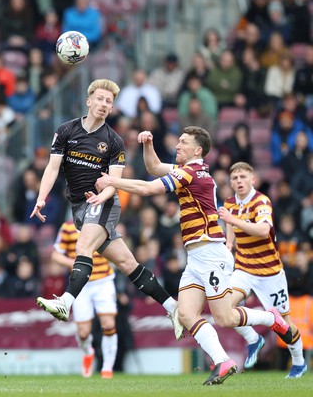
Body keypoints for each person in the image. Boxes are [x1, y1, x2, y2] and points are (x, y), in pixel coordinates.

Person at [92, 126, 293, 385]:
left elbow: (148, 188)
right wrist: (148, 144)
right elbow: (153, 168)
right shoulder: (188, 171)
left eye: (183, 142)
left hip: (211, 254)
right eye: (178, 141)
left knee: (225, 317)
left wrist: (112, 181)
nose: (177, 146)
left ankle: (271, 318)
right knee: (186, 314)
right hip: (196, 258)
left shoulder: (191, 173)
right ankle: (223, 361)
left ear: (197, 150)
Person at [30, 78, 183, 342]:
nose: (103, 104)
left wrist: (103, 197)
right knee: (128, 264)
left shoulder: (113, 141)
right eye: (99, 99)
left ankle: (65, 302)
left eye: (108, 102)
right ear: (89, 101)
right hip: (80, 207)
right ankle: (174, 308)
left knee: (83, 247)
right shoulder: (66, 131)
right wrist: (41, 198)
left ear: (112, 108)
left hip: (104, 204)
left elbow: (114, 181)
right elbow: (52, 168)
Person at [219, 161, 307, 379]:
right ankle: (253, 339)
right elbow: (230, 224)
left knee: (284, 326)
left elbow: (263, 229)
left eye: (243, 177)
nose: (239, 181)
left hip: (270, 273)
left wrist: (233, 220)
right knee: (223, 309)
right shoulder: (230, 203)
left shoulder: (262, 201)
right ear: (230, 182)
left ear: (253, 180)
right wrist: (229, 244)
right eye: (235, 178)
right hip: (244, 269)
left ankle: (299, 362)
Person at [51, 220, 117, 379]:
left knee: (108, 324)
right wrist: (73, 263)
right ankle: (88, 352)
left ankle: (107, 368)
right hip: (81, 284)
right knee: (83, 332)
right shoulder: (67, 227)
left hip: (104, 280)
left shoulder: (103, 222)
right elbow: (55, 254)